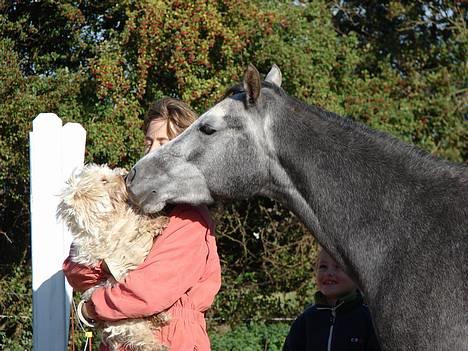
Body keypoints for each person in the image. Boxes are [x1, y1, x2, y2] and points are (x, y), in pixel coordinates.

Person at [63, 97, 222, 351]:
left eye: (163, 143)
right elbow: (74, 268)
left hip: (170, 338)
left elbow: (149, 291)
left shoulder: (190, 218)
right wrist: (105, 263)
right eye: (148, 142)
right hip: (118, 341)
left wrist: (94, 306)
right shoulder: (134, 203)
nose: (151, 152)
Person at [282, 248, 381, 351]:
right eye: (323, 267)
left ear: (358, 275)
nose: (329, 273)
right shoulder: (305, 321)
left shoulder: (369, 320)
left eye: (339, 266)